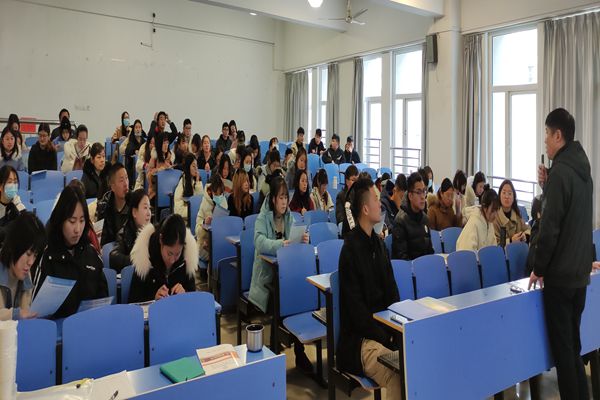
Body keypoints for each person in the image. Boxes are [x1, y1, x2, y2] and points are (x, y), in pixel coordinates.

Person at [528, 108, 593, 399]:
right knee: (574, 349)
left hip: (560, 278)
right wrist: (547, 185)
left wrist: (538, 268)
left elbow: (550, 228)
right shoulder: (582, 171)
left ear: (558, 135)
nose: (544, 140)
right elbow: (573, 218)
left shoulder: (561, 174)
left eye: (546, 133)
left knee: (563, 355)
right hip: (579, 275)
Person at [337, 177, 401, 398]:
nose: (380, 203)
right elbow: (357, 314)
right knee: (397, 373)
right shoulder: (349, 251)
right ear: (365, 209)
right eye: (375, 198)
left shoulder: (380, 246)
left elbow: (393, 294)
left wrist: (395, 333)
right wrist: (386, 338)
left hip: (383, 333)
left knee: (418, 362)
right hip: (360, 341)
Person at [247, 176, 312, 371]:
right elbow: (259, 242)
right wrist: (280, 245)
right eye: (281, 198)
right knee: (280, 299)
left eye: (286, 198)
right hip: (267, 279)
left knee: (298, 294)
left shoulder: (289, 217)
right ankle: (275, 349)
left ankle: (298, 351)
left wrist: (303, 240)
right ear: (273, 199)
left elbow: (293, 241)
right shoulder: (263, 217)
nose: (284, 202)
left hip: (286, 276)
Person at [33, 185, 108, 319]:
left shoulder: (91, 253)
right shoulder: (46, 256)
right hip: (56, 329)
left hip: (89, 325)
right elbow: (36, 311)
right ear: (60, 220)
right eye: (72, 221)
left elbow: (103, 299)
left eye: (82, 221)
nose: (77, 229)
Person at [129, 214, 197, 303]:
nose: (172, 260)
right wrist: (153, 299)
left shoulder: (187, 259)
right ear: (161, 240)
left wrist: (185, 294)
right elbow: (133, 301)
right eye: (169, 253)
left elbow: (193, 298)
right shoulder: (144, 258)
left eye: (177, 254)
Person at [0, 212, 46, 320]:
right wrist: (17, 314)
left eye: (35, 255)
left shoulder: (25, 273)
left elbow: (26, 312)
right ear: (13, 246)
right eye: (28, 254)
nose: (31, 262)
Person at [392, 172, 434, 260]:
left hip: (424, 266)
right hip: (408, 267)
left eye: (424, 191)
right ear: (410, 196)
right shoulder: (400, 221)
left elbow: (430, 251)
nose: (423, 197)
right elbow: (401, 258)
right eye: (418, 192)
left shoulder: (425, 219)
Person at [109, 189, 152, 273]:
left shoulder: (153, 233)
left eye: (149, 208)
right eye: (145, 208)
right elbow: (114, 257)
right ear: (134, 212)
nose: (149, 213)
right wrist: (137, 260)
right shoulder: (123, 233)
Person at [195, 174, 227, 264]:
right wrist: (204, 223)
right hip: (204, 243)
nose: (219, 196)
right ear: (211, 192)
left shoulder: (224, 201)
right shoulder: (204, 203)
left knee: (225, 252)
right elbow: (197, 231)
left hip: (218, 241)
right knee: (217, 255)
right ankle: (212, 272)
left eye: (220, 194)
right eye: (216, 194)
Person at [96, 163, 129, 246]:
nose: (126, 184)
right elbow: (101, 242)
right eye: (121, 180)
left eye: (126, 178)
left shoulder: (134, 203)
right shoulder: (103, 207)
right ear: (113, 187)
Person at [494, 179, 529, 246]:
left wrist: (525, 236)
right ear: (499, 195)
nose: (507, 197)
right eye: (504, 193)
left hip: (518, 250)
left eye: (510, 193)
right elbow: (494, 243)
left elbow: (528, 229)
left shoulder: (517, 214)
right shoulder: (495, 216)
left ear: (513, 197)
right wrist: (511, 241)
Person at [174, 153, 204, 222]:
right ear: (188, 167)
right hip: (185, 220)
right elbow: (178, 210)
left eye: (197, 166)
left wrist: (198, 182)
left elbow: (200, 199)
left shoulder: (196, 181)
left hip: (196, 218)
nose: (196, 168)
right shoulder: (182, 183)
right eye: (193, 166)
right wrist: (192, 211)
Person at [0, 165, 25, 244]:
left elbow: (26, 223)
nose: (13, 185)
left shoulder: (16, 201)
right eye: (9, 182)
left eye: (15, 182)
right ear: (1, 186)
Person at [146, 132, 173, 201]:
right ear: (159, 144)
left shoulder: (169, 157)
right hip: (155, 191)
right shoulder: (154, 158)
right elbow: (148, 176)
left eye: (167, 143)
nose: (166, 145)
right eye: (164, 143)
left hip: (167, 190)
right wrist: (159, 170)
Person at [124, 119, 146, 188]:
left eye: (139, 127)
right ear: (133, 129)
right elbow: (127, 151)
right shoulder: (131, 140)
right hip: (132, 168)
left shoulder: (144, 141)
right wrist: (134, 151)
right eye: (136, 127)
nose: (138, 129)